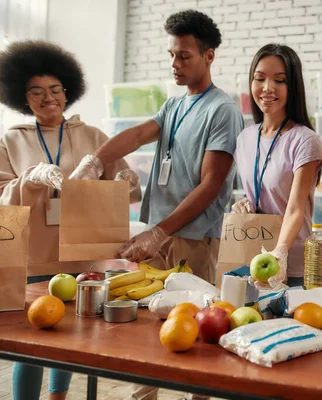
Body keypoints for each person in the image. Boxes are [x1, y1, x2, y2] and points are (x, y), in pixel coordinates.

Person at [0, 41, 140, 400]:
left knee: (72, 334)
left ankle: (58, 396)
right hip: (35, 251)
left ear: (68, 90)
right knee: (30, 339)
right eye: (37, 91)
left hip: (84, 250)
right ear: (22, 97)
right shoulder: (11, 140)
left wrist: (126, 181)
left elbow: (125, 188)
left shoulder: (94, 136)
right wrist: (30, 177)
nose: (49, 98)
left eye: (56, 89)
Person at [70, 10, 243, 285]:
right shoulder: (173, 105)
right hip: (157, 232)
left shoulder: (223, 110)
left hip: (193, 238)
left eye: (184, 56)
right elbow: (138, 135)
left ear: (208, 56)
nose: (175, 64)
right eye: (171, 55)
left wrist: (159, 233)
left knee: (185, 317)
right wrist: (94, 162)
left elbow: (210, 186)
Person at [231, 44, 322, 288]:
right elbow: (260, 189)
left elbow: (295, 208)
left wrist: (279, 253)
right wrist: (244, 202)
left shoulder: (304, 140)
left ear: (292, 87)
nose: (267, 88)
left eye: (279, 80)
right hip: (251, 259)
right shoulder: (244, 139)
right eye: (259, 78)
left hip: (289, 266)